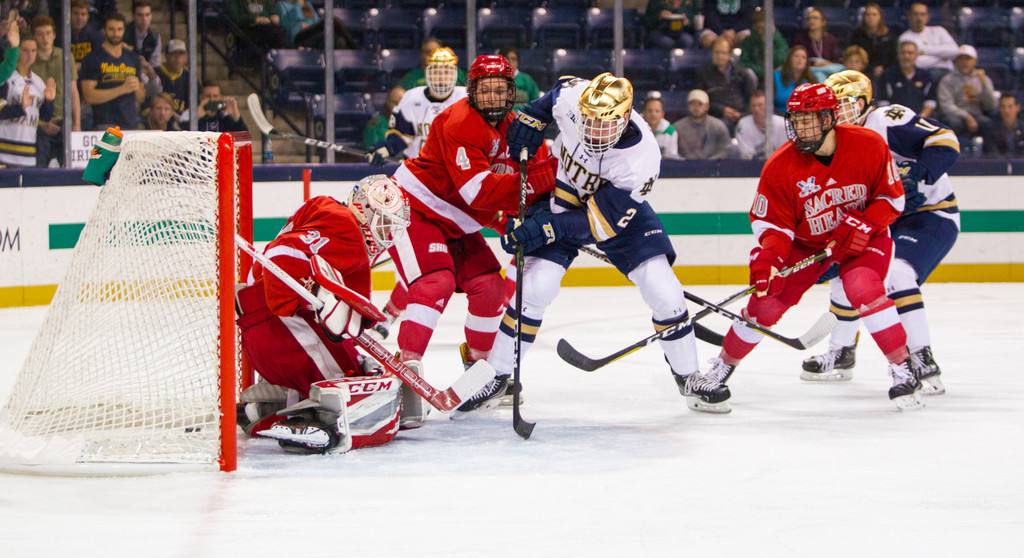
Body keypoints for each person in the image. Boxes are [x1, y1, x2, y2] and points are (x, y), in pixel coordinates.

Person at [484, 72, 726, 415]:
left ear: (626, 118)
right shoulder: (574, 98)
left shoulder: (641, 160)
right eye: (589, 122)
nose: (593, 132)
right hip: (565, 196)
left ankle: (689, 377)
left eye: (604, 125)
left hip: (608, 211)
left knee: (664, 291)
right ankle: (499, 376)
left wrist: (547, 229)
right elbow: (558, 89)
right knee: (535, 288)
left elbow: (598, 224)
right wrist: (534, 113)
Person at [692, 82, 924, 413]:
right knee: (766, 304)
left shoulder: (869, 145)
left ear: (830, 118)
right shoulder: (781, 165)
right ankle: (721, 367)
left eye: (809, 120)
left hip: (864, 239)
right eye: (796, 121)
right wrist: (770, 258)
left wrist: (863, 223)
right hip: (806, 244)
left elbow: (892, 198)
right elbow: (773, 225)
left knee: (862, 286)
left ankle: (903, 368)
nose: (800, 128)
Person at [383, 55, 557, 412]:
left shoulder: (517, 126)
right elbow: (479, 193)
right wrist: (524, 199)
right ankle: (407, 370)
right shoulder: (459, 121)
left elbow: (540, 176)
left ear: (512, 92)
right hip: (415, 208)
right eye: (484, 90)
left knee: (491, 289)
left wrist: (544, 219)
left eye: (500, 90)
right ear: (472, 91)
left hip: (458, 222)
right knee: (436, 282)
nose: (492, 97)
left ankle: (482, 370)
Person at [801, 70, 958, 398]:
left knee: (898, 274)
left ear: (860, 103)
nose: (833, 114)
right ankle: (841, 352)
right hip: (886, 221)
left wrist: (919, 172)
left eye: (840, 105)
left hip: (929, 216)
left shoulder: (886, 119)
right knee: (846, 275)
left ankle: (922, 358)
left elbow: (946, 141)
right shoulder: (838, 144)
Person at [235, 176, 417, 454]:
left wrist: (321, 298)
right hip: (282, 330)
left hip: (271, 333)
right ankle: (319, 422)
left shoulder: (329, 211)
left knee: (355, 369)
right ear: (365, 211)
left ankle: (262, 410)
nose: (388, 236)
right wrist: (311, 299)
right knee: (351, 385)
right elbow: (279, 255)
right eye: (385, 224)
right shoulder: (344, 224)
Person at [370, 47, 467, 163]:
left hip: (456, 167)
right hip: (418, 167)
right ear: (427, 73)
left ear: (455, 73)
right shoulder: (411, 97)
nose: (441, 78)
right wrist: (387, 149)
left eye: (446, 72)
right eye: (436, 72)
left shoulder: (467, 98)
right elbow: (401, 135)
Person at [79, 12, 144, 131]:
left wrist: (136, 87)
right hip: (105, 123)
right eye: (111, 29)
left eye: (119, 29)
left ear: (124, 30)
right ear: (103, 30)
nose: (116, 34)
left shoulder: (132, 58)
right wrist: (122, 89)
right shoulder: (92, 58)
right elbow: (88, 96)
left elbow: (141, 98)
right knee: (105, 151)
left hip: (131, 123)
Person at [30, 14, 80, 167]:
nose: (45, 38)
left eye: (48, 33)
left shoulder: (65, 57)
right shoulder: (29, 59)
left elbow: (73, 91)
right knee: (40, 164)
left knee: (71, 167)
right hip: (38, 124)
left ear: (54, 35)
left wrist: (76, 124)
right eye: (40, 34)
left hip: (63, 121)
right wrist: (40, 123)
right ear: (34, 37)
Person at [0, 36, 54, 167]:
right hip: (5, 152)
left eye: (33, 50)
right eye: (25, 50)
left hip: (28, 154)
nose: (30, 55)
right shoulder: (7, 79)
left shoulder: (39, 82)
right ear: (17, 51)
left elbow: (43, 118)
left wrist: (49, 101)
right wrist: (20, 107)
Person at [696, 36, 757, 132]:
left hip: (742, 116)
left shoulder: (743, 73)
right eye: (717, 52)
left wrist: (741, 114)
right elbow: (699, 101)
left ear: (730, 55)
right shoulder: (702, 73)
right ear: (711, 53)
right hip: (715, 117)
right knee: (720, 126)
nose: (720, 56)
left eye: (723, 53)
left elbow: (752, 98)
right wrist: (721, 110)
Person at [937, 45, 995, 142]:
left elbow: (990, 105)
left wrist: (984, 84)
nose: (964, 62)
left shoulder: (983, 78)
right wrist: (967, 116)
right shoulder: (947, 80)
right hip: (955, 115)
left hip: (977, 114)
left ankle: (992, 155)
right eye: (960, 59)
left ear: (975, 61)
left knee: (988, 123)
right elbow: (946, 105)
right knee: (953, 123)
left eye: (967, 59)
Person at [877, 40, 937, 118]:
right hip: (894, 120)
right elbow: (883, 103)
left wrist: (920, 118)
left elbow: (930, 102)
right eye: (903, 53)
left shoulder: (925, 76)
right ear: (898, 55)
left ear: (916, 55)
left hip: (920, 120)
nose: (906, 56)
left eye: (910, 53)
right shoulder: (887, 75)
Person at [898, 2, 960, 72]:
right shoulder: (905, 37)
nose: (919, 18)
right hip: (922, 73)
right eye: (916, 14)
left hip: (946, 72)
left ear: (928, 17)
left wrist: (924, 51)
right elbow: (917, 62)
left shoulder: (939, 30)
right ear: (909, 16)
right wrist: (942, 57)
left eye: (922, 14)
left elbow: (955, 51)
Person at [674, 88, 731, 160]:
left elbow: (726, 149)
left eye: (700, 104)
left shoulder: (719, 126)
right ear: (688, 106)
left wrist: (711, 161)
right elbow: (673, 153)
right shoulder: (677, 127)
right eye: (692, 104)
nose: (696, 108)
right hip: (686, 167)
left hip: (713, 167)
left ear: (707, 106)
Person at [738, 8, 787, 87]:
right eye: (759, 28)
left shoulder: (780, 41)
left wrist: (767, 42)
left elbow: (781, 61)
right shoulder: (748, 42)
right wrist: (765, 72)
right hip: (755, 80)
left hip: (776, 81)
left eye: (764, 28)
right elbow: (744, 63)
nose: (762, 31)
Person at [734, 89, 787, 159]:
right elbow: (747, 156)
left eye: (760, 105)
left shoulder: (783, 124)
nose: (756, 109)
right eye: (753, 106)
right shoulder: (743, 125)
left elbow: (786, 154)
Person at [398, 38, 467, 91]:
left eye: (435, 51)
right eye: (428, 52)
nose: (432, 55)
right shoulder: (412, 76)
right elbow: (398, 94)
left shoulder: (458, 73)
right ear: (421, 55)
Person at [850, 3, 897, 80]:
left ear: (880, 17)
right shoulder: (857, 34)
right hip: (863, 70)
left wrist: (883, 68)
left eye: (874, 15)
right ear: (863, 17)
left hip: (884, 70)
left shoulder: (889, 35)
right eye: (868, 15)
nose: (871, 17)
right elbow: (854, 53)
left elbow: (892, 56)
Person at [794, 8, 842, 82]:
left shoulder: (830, 39)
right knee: (819, 74)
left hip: (828, 69)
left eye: (815, 18)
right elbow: (796, 58)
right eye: (809, 18)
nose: (811, 21)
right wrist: (813, 63)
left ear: (823, 22)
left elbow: (836, 60)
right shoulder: (800, 39)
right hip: (809, 71)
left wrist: (827, 63)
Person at [181, 80, 247, 133]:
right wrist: (197, 119)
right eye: (208, 96)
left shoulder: (225, 116)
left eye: (215, 96)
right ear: (201, 97)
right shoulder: (188, 114)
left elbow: (244, 138)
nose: (212, 100)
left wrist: (236, 115)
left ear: (220, 97)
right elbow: (183, 136)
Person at [226, 0, 290, 52]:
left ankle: (278, 58)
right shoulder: (235, 1)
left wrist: (274, 16)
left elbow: (271, 11)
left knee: (283, 31)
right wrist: (255, 19)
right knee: (271, 32)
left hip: (266, 28)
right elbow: (233, 18)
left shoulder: (264, 1)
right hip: (247, 30)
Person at [773, 45, 815, 114]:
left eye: (803, 57)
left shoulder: (811, 80)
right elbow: (768, 104)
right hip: (779, 117)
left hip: (804, 118)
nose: (800, 59)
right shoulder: (775, 76)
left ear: (806, 62)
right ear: (790, 59)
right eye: (796, 56)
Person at [363, 86, 404, 151]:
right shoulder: (376, 124)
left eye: (402, 103)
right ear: (387, 102)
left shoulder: (411, 124)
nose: (398, 107)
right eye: (395, 103)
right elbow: (373, 152)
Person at [500, 47, 540, 111]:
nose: (510, 62)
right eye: (507, 58)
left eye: (513, 59)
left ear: (517, 61)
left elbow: (537, 102)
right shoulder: (497, 80)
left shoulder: (527, 80)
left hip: (524, 118)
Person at [155, 39, 188, 116]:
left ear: (186, 56)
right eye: (173, 54)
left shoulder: (189, 78)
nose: (177, 58)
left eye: (181, 54)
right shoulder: (155, 74)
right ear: (166, 55)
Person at [124, 0, 161, 69]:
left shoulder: (154, 36)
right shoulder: (123, 33)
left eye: (147, 15)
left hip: (146, 72)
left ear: (151, 16)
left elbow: (155, 64)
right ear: (133, 16)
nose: (144, 19)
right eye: (140, 15)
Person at [642, 95, 679, 159]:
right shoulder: (634, 128)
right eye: (650, 111)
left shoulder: (671, 131)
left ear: (662, 114)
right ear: (643, 113)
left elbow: (672, 159)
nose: (653, 114)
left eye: (657, 111)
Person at [69, 0, 101, 71]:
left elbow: (98, 60)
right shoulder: (60, 34)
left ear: (88, 16)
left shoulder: (95, 35)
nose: (79, 18)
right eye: (76, 13)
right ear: (69, 14)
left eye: (83, 14)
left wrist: (81, 65)